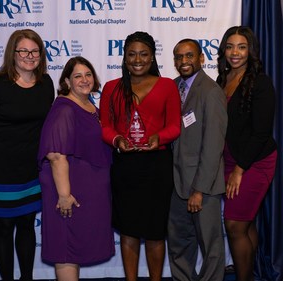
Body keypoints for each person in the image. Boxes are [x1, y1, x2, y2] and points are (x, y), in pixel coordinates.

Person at [0, 29, 54, 281]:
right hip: (1, 171)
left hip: (32, 169)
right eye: (23, 51)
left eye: (35, 51)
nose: (30, 56)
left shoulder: (45, 83)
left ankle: (26, 278)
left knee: (27, 225)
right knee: (4, 228)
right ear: (12, 54)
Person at [99, 31, 181, 281]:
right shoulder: (112, 87)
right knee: (129, 230)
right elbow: (105, 126)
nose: (137, 59)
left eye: (143, 54)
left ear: (152, 56)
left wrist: (160, 138)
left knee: (155, 232)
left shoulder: (167, 85)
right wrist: (117, 140)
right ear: (124, 58)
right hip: (125, 166)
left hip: (157, 166)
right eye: (132, 54)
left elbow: (175, 125)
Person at [37, 56, 115, 281]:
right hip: (69, 191)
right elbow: (56, 155)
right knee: (66, 248)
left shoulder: (90, 106)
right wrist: (64, 195)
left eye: (88, 74)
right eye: (77, 76)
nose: (84, 80)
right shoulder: (64, 109)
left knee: (75, 245)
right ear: (67, 82)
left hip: (87, 189)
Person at [216, 26, 277, 281]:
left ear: (250, 50)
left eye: (241, 47)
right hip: (230, 160)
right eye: (230, 46)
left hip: (255, 162)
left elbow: (261, 132)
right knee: (246, 223)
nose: (235, 52)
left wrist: (240, 170)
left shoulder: (261, 82)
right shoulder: (222, 79)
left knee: (234, 224)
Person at [167, 38, 227, 281]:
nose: (184, 61)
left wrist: (199, 190)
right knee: (178, 242)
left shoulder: (211, 92)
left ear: (201, 58)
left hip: (204, 186)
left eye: (189, 55)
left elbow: (213, 146)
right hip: (176, 183)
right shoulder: (172, 87)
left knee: (211, 246)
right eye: (179, 57)